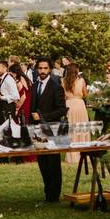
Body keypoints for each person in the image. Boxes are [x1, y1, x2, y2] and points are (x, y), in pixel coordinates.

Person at [30, 57, 67, 202]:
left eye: (45, 68)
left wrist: (42, 116)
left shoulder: (56, 87)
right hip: (37, 130)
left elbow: (62, 110)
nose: (43, 71)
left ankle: (54, 195)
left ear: (50, 69)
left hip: (53, 129)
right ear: (37, 69)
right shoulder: (34, 86)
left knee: (53, 163)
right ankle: (48, 193)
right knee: (42, 162)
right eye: (40, 68)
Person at [63, 64, 90, 164]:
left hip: (69, 105)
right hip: (79, 105)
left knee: (71, 129)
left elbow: (62, 96)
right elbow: (85, 94)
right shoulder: (81, 81)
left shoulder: (63, 81)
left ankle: (72, 156)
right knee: (82, 129)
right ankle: (83, 154)